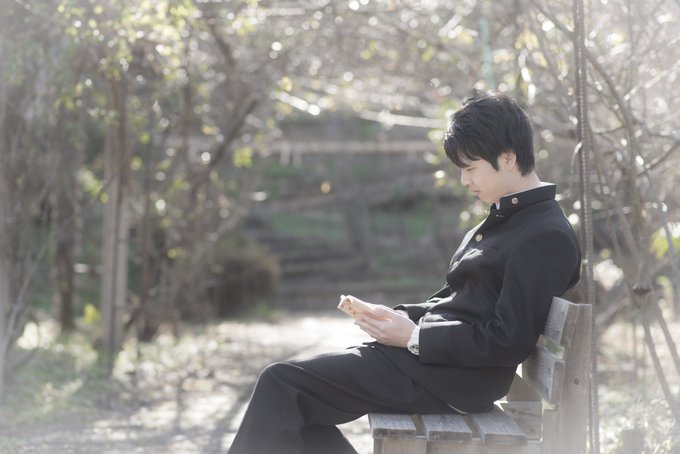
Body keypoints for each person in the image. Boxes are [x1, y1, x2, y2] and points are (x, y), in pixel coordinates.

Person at [227, 92, 581, 454]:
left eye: (470, 168)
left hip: (452, 378)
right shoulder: (511, 218)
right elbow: (459, 301)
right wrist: (398, 317)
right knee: (293, 404)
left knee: (282, 385)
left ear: (508, 157)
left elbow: (508, 342)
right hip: (434, 366)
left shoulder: (544, 234)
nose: (464, 180)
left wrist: (414, 337)